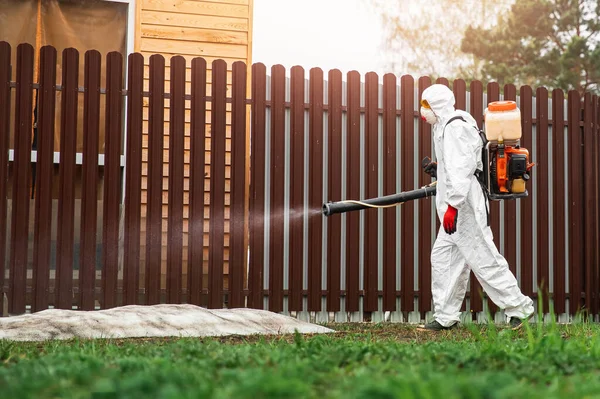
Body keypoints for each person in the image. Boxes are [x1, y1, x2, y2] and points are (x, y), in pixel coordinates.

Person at [419, 84, 534, 331]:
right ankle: (445, 316)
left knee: (483, 256)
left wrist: (453, 206)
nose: (422, 111)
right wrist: (440, 168)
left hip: (464, 205)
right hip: (456, 203)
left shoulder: (455, 127)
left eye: (426, 105)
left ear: (437, 105)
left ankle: (520, 308)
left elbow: (461, 169)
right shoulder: (444, 126)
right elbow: (459, 161)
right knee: (444, 257)